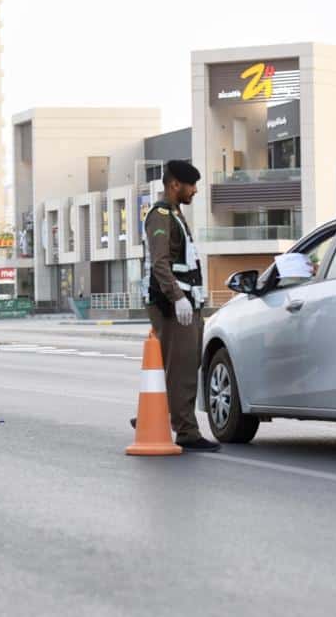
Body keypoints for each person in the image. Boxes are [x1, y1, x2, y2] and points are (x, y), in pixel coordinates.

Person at [136, 160, 220, 452]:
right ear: (175, 185)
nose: (195, 190)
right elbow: (160, 264)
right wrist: (178, 298)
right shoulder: (160, 216)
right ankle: (185, 430)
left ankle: (156, 413)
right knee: (181, 368)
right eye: (191, 185)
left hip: (185, 304)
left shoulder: (174, 214)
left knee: (183, 364)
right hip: (172, 305)